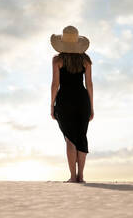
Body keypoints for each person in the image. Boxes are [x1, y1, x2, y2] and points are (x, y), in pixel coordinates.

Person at [50, 25, 94, 183]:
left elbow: (55, 84)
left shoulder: (57, 60)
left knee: (70, 138)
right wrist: (92, 106)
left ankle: (72, 177)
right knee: (81, 137)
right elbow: (89, 84)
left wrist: (51, 105)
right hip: (82, 100)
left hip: (64, 100)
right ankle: (81, 176)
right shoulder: (86, 60)